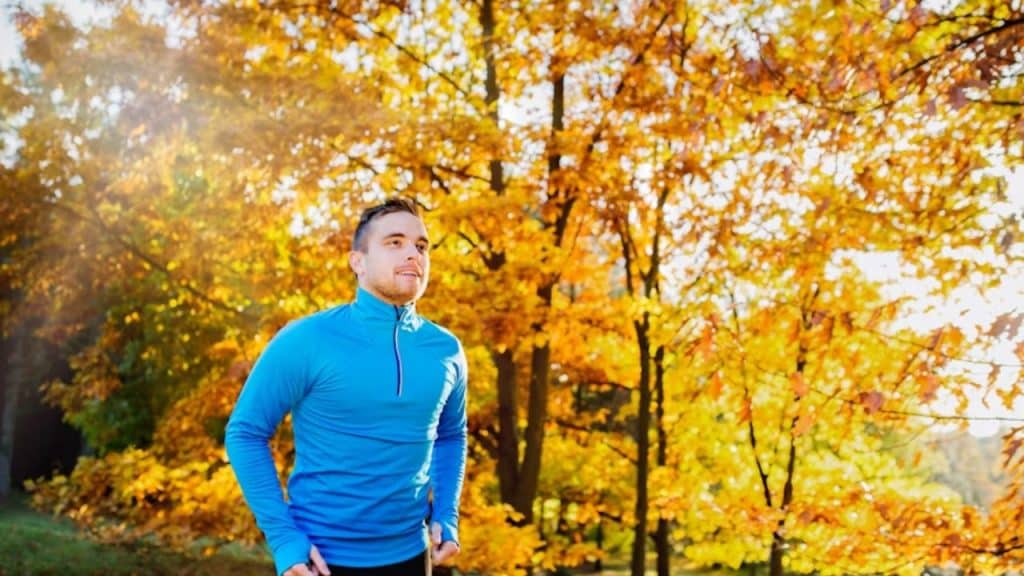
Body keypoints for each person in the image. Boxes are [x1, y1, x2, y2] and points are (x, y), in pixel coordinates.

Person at [226, 197, 467, 576]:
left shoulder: (446, 350)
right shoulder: (306, 339)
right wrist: (283, 538)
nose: (413, 254)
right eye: (395, 242)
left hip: (413, 555)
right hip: (321, 561)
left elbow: (451, 435)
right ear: (358, 262)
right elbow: (245, 432)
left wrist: (447, 513)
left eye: (421, 246)